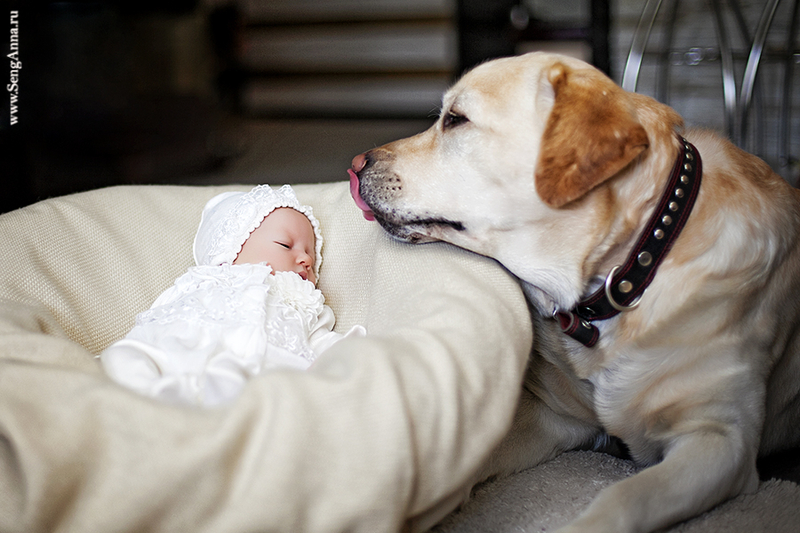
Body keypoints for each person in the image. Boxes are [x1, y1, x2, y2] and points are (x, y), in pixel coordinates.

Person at [100, 184, 364, 406]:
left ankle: (215, 399)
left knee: (262, 387)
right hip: (182, 354)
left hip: (263, 372)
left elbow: (321, 341)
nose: (306, 259)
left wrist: (348, 351)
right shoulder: (203, 280)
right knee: (123, 355)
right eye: (286, 245)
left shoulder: (304, 301)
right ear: (231, 249)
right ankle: (150, 394)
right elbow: (157, 318)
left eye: (311, 254)